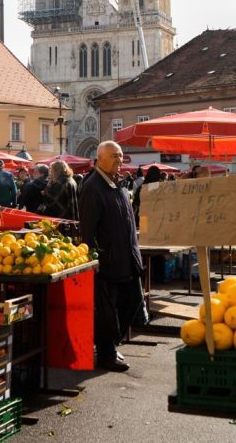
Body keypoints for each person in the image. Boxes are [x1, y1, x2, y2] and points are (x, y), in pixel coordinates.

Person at [79, 141, 144, 372]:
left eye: (121, 156)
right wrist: (92, 258)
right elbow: (87, 228)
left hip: (127, 258)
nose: (119, 160)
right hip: (109, 262)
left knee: (131, 303)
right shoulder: (93, 186)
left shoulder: (116, 183)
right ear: (100, 158)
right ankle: (106, 353)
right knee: (108, 312)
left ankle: (110, 346)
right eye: (114, 156)